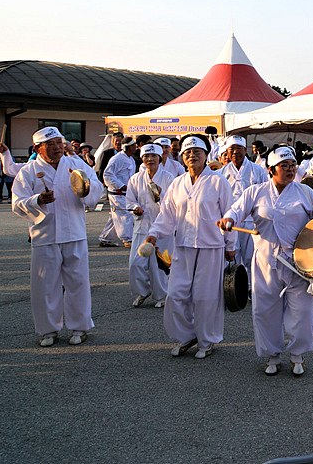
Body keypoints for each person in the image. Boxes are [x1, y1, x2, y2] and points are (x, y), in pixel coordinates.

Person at [220, 147, 313, 376]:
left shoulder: (304, 192)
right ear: (271, 169)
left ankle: (297, 354)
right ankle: (272, 354)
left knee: (302, 310)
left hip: (299, 261)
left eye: (293, 165)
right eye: (285, 166)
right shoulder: (256, 191)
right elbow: (235, 210)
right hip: (265, 260)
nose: (290, 170)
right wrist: (229, 218)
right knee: (265, 309)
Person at [145, 134, 236, 359]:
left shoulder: (218, 181)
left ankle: (207, 339)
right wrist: (153, 234)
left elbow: (230, 215)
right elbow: (167, 215)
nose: (192, 156)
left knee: (206, 297)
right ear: (182, 157)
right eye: (187, 153)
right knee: (176, 294)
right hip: (184, 245)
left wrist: (230, 245)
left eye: (197, 152)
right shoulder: (177, 184)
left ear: (206, 155)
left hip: (211, 246)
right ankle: (186, 335)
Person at [11, 127, 104, 346]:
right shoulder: (28, 171)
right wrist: (37, 201)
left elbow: (96, 187)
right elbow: (16, 203)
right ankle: (48, 330)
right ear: (37, 148)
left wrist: (85, 190)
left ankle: (80, 327)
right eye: (50, 144)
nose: (57, 148)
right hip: (45, 235)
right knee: (45, 284)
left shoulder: (76, 165)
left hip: (74, 233)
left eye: (59, 143)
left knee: (78, 282)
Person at [125, 144, 176, 308]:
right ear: (142, 159)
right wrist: (135, 209)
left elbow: (173, 202)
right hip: (142, 226)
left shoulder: (168, 178)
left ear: (160, 158)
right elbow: (129, 201)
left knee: (159, 265)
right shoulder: (135, 178)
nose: (150, 159)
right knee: (136, 264)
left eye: (153, 156)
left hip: (162, 227)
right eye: (146, 156)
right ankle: (143, 291)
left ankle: (162, 295)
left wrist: (160, 193)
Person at [220, 136, 269, 271]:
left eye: (238, 148)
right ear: (227, 152)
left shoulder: (257, 170)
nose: (235, 152)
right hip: (231, 221)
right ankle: (234, 289)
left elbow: (266, 196)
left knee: (251, 258)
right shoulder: (221, 173)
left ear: (245, 150)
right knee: (231, 257)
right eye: (232, 149)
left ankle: (250, 288)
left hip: (251, 221)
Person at [100, 137, 138, 247]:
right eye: (134, 146)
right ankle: (127, 239)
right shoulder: (117, 159)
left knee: (115, 216)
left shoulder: (130, 159)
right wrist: (121, 186)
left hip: (126, 192)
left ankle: (105, 238)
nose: (135, 148)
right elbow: (107, 174)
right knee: (124, 215)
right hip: (118, 193)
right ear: (128, 147)